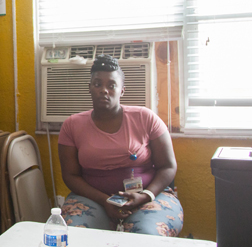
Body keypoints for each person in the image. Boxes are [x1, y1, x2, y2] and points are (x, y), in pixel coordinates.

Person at [58, 54, 183, 236]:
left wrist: (146, 195)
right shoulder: (71, 125)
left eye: (111, 85)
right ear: (90, 88)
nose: (104, 90)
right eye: (98, 84)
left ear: (122, 90)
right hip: (92, 199)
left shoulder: (145, 117)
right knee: (76, 235)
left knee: (148, 235)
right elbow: (70, 175)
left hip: (148, 195)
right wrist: (104, 200)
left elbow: (168, 166)